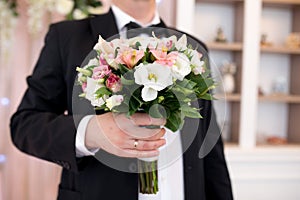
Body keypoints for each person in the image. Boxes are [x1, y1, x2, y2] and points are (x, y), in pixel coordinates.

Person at [10, 0, 233, 199]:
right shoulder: (66, 37)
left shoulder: (193, 48)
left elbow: (210, 147)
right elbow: (25, 124)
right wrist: (90, 131)